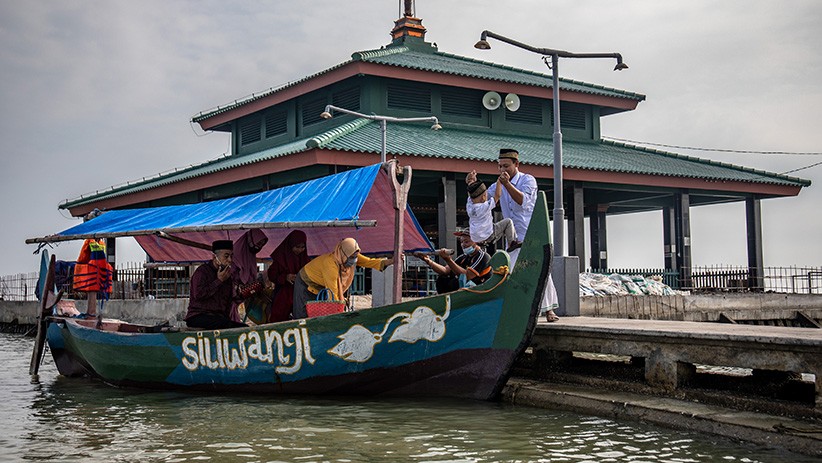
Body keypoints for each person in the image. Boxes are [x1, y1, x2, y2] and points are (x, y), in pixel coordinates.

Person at [466, 148, 560, 322]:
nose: (502, 170)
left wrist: (507, 184)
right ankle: (512, 310)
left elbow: (524, 202)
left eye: (506, 166)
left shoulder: (527, 180)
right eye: (500, 166)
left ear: (516, 164)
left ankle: (549, 311)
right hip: (513, 238)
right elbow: (482, 200)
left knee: (541, 271)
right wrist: (472, 185)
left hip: (531, 234)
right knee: (509, 272)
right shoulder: (497, 185)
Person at [293, 237, 399, 319]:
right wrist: (338, 313)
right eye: (352, 257)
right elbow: (333, 292)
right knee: (304, 315)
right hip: (305, 283)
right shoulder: (331, 265)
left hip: (320, 285)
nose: (354, 260)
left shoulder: (349, 255)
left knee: (318, 313)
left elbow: (369, 261)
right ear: (344, 253)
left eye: (356, 256)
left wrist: (390, 261)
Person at [184, 240, 248, 330]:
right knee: (226, 324)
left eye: (231, 256)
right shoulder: (202, 271)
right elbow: (199, 294)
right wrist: (219, 281)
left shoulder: (228, 276)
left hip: (218, 318)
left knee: (243, 328)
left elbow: (229, 302)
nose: (229, 260)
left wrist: (241, 293)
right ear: (214, 257)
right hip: (198, 316)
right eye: (226, 256)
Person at [415, 229, 492, 294]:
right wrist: (428, 260)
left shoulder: (483, 256)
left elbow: (468, 275)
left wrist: (448, 260)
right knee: (443, 279)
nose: (463, 245)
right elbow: (445, 271)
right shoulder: (463, 258)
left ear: (476, 242)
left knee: (457, 281)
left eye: (466, 242)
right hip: (466, 291)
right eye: (461, 242)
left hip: (480, 292)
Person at [267, 230, 309, 322]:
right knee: (279, 323)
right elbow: (272, 275)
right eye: (297, 247)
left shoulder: (305, 259)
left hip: (301, 296)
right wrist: (285, 277)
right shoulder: (281, 258)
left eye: (302, 247)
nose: (300, 250)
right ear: (290, 245)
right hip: (283, 297)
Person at [466, 180, 519, 252]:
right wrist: (499, 182)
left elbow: (471, 195)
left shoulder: (469, 205)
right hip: (488, 235)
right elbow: (497, 196)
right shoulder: (484, 206)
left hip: (475, 237)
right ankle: (511, 243)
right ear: (483, 197)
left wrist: (471, 182)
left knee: (494, 225)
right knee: (508, 222)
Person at [230, 229, 269, 322]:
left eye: (261, 245)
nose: (258, 247)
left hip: (241, 295)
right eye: (258, 243)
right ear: (251, 240)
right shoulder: (235, 254)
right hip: (230, 295)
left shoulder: (250, 255)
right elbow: (230, 276)